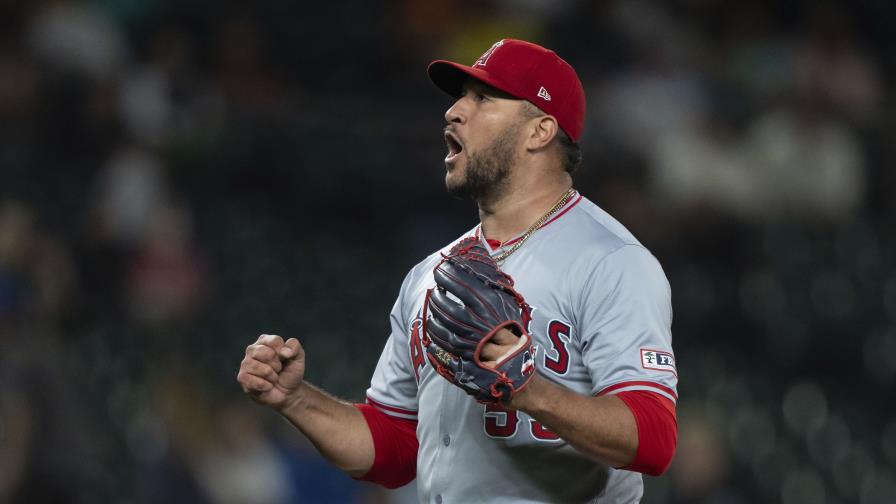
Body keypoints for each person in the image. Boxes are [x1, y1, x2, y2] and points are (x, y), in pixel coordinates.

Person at [237, 39, 678, 503]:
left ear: (541, 131)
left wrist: (531, 390)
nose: (454, 112)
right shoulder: (432, 275)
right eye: (459, 97)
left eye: (483, 98)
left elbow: (653, 440)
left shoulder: (611, 261)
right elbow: (396, 449)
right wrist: (294, 398)